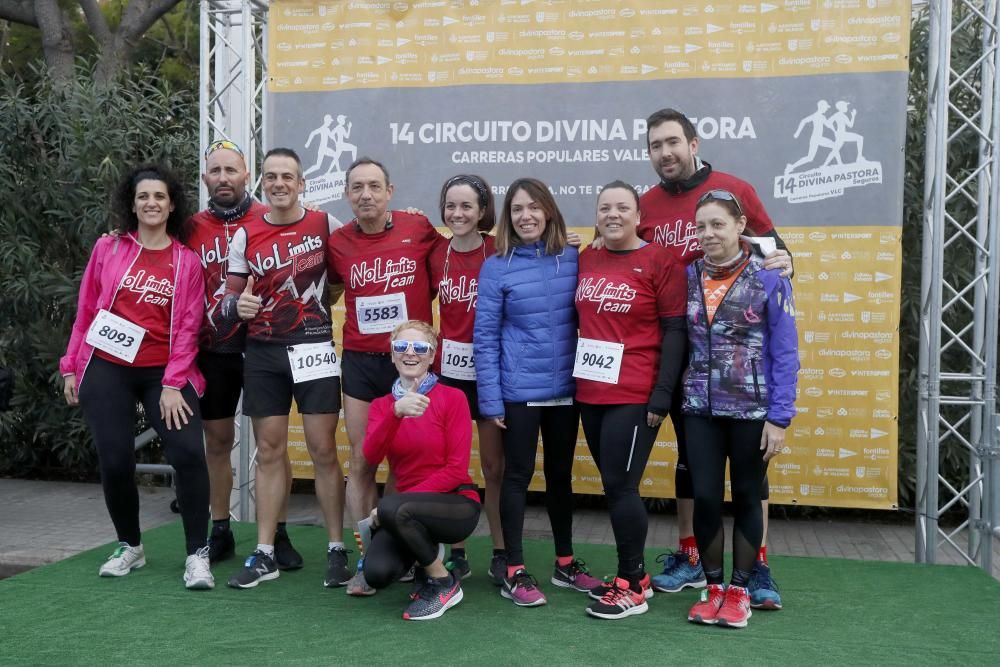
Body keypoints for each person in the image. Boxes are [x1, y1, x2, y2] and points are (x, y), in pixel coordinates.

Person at [639, 108, 789, 609]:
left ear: (694, 142)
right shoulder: (645, 204)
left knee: (749, 482)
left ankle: (755, 568)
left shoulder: (736, 188)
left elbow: (776, 253)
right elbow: (627, 258)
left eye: (672, 142)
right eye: (656, 145)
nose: (665, 152)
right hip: (685, 368)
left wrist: (788, 263)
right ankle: (693, 561)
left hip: (743, 381)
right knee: (694, 472)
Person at [60, 163, 213, 590]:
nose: (151, 203)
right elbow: (86, 311)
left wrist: (171, 382)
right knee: (114, 459)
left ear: (171, 205)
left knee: (187, 454)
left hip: (164, 370)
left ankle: (197, 555)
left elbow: (188, 326)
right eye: (144, 196)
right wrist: (71, 365)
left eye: (159, 197)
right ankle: (130, 546)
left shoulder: (186, 261)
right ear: (133, 203)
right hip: (106, 366)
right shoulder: (108, 249)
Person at [221, 148, 349, 589]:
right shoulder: (245, 234)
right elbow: (228, 299)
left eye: (287, 176)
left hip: (313, 347)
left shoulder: (323, 223)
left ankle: (336, 548)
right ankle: (265, 552)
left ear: (301, 184)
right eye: (271, 176)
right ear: (263, 183)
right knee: (270, 450)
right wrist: (239, 306)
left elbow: (344, 275)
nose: (279, 183)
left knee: (323, 450)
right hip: (263, 353)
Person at [474, 177, 601, 607]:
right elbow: (486, 337)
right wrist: (490, 399)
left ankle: (565, 563)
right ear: (507, 218)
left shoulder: (574, 257)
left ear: (548, 211)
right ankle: (514, 569)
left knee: (561, 478)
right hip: (518, 392)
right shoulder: (496, 266)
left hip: (566, 389)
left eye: (534, 207)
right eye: (516, 209)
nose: (525, 216)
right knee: (516, 476)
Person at [325, 157, 442, 595]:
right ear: (347, 194)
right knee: (361, 459)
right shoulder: (337, 243)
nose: (366, 195)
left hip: (408, 360)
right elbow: (330, 284)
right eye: (357, 187)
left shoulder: (418, 229)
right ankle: (365, 554)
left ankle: (397, 547)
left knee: (404, 461)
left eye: (374, 186)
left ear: (390, 191)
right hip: (359, 360)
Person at [682, 190, 798, 628]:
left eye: (717, 225)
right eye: (700, 227)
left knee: (748, 495)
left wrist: (779, 417)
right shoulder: (689, 274)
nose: (708, 234)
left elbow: (786, 352)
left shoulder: (769, 276)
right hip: (699, 408)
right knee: (707, 498)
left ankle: (739, 591)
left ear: (740, 227)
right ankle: (712, 589)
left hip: (753, 410)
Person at [184, 140, 302, 568]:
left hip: (262, 346)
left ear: (247, 174)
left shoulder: (266, 217)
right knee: (217, 442)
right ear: (205, 179)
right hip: (213, 348)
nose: (223, 178)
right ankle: (221, 529)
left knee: (272, 446)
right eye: (214, 171)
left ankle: (280, 533)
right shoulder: (191, 226)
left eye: (231, 170)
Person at [574, 182, 687, 619]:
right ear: (597, 215)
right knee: (614, 486)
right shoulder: (586, 259)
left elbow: (675, 331)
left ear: (639, 215)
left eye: (623, 207)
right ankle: (635, 577)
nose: (613, 214)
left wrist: (662, 394)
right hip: (591, 392)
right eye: (605, 208)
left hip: (636, 393)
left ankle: (631, 583)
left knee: (622, 487)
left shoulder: (661, 261)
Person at [360, 320, 481, 621]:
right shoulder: (381, 406)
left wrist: (394, 507)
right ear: (391, 355)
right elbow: (371, 455)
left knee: (390, 506)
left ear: (431, 355)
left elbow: (456, 470)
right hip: (405, 511)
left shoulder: (453, 398)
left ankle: (442, 582)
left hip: (456, 503)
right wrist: (395, 413)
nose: (410, 353)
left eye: (420, 348)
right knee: (376, 573)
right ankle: (424, 557)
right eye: (401, 347)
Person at [428, 174, 506, 584]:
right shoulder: (434, 252)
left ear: (482, 212)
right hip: (448, 374)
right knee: (452, 467)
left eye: (466, 207)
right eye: (451, 206)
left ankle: (500, 549)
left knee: (494, 467)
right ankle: (456, 551)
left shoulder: (500, 250)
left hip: (491, 373)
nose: (457, 214)